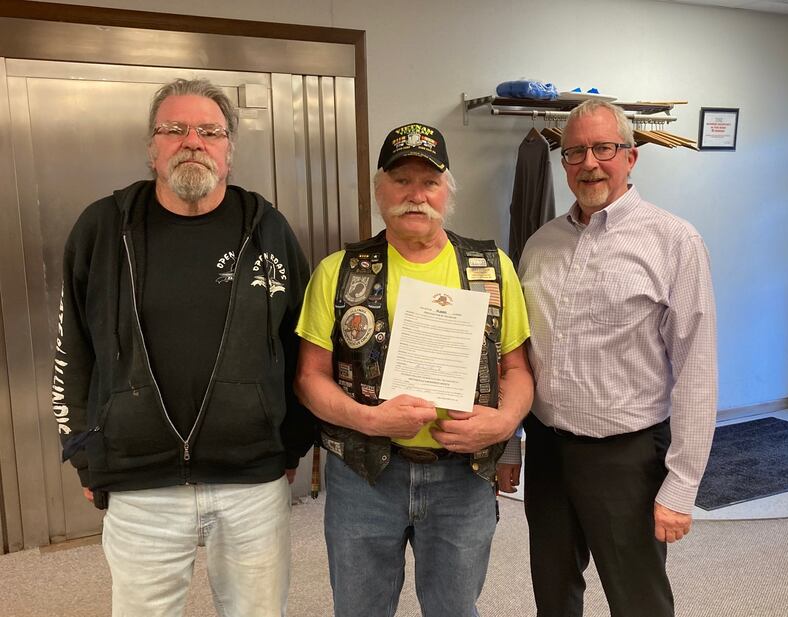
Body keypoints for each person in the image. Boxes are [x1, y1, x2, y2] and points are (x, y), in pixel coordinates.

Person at [51, 78, 315, 617]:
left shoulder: (269, 231)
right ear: (152, 145)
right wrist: (84, 451)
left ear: (228, 149)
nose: (192, 141)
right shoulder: (103, 229)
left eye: (209, 131)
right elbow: (73, 349)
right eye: (174, 128)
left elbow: (299, 346)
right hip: (139, 482)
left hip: (252, 481)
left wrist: (291, 447)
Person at [294, 122, 534, 617]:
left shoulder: (491, 268)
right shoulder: (338, 270)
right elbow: (308, 378)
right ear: (380, 191)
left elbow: (517, 369)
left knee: (455, 609)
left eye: (429, 182)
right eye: (401, 180)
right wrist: (368, 419)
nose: (415, 195)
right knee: (359, 609)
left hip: (462, 477)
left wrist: (506, 424)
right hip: (363, 474)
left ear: (448, 192)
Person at [503, 99, 717, 617]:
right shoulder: (539, 244)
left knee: (638, 601)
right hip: (549, 451)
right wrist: (510, 446)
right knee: (553, 595)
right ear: (563, 162)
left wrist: (682, 483)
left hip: (629, 459)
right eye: (575, 152)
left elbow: (697, 371)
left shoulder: (674, 241)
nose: (589, 163)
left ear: (631, 157)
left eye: (604, 148)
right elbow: (517, 354)